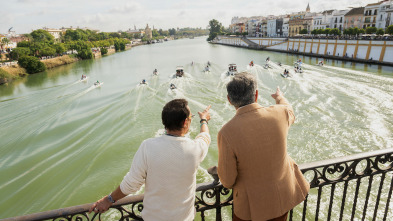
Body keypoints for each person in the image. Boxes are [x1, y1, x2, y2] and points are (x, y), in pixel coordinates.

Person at [89, 99, 212, 220]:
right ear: (185, 122)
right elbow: (205, 136)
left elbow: (131, 184)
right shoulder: (195, 148)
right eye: (191, 117)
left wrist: (108, 200)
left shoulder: (148, 146)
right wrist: (203, 120)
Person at [217, 72, 309, 221]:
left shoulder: (226, 132)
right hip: (283, 199)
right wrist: (279, 97)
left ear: (229, 100)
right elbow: (289, 110)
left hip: (251, 209)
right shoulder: (280, 113)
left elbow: (227, 181)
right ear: (256, 94)